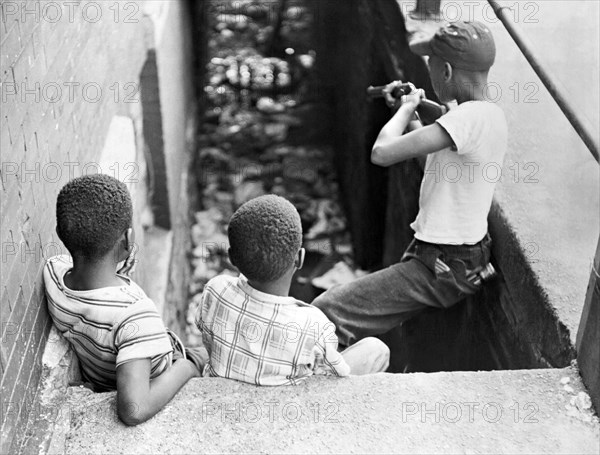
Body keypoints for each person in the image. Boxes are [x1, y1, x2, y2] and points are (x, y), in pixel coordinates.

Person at [313, 21, 507, 348]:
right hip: (447, 260)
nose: (429, 72)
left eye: (431, 63)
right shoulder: (483, 117)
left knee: (327, 311)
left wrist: (404, 111)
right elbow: (428, 161)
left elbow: (381, 153)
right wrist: (409, 111)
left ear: (445, 71)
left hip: (445, 263)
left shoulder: (468, 120)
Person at [43, 174, 205, 426]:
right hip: (162, 369)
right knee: (208, 354)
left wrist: (117, 275)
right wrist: (186, 367)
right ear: (128, 240)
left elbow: (94, 297)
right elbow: (133, 409)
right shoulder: (135, 313)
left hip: (105, 372)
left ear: (61, 234)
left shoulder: (53, 272)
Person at [196, 195, 389, 385]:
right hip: (292, 410)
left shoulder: (216, 289)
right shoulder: (314, 324)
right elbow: (336, 377)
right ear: (299, 258)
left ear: (232, 258)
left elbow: (203, 328)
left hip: (227, 397)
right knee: (376, 349)